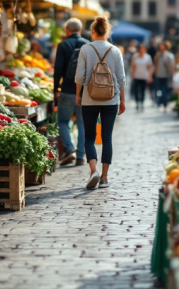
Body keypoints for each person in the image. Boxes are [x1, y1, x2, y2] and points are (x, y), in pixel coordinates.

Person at [75, 16, 126, 190]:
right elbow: (121, 78)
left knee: (89, 137)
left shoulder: (85, 49)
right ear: (107, 32)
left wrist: (78, 94)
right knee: (107, 137)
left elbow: (80, 76)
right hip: (111, 99)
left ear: (93, 31)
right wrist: (123, 100)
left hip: (89, 98)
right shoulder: (115, 50)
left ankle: (93, 171)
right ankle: (104, 178)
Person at [52, 18, 88, 166]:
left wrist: (55, 90)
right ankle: (80, 156)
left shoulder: (63, 45)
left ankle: (69, 148)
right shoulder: (88, 44)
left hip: (67, 89)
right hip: (84, 91)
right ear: (80, 29)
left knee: (62, 121)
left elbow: (58, 69)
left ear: (67, 30)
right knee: (82, 123)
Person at [153, 41, 175, 111]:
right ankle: (160, 103)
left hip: (166, 75)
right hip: (159, 75)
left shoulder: (169, 56)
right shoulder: (158, 55)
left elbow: (171, 67)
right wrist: (155, 73)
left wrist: (172, 76)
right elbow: (156, 64)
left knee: (164, 90)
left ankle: (164, 104)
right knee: (159, 90)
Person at [130, 45, 153, 111]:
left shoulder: (147, 57)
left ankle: (142, 103)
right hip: (136, 76)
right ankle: (137, 103)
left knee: (143, 91)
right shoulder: (135, 57)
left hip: (144, 76)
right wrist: (132, 75)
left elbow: (150, 67)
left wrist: (150, 76)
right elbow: (132, 66)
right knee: (136, 91)